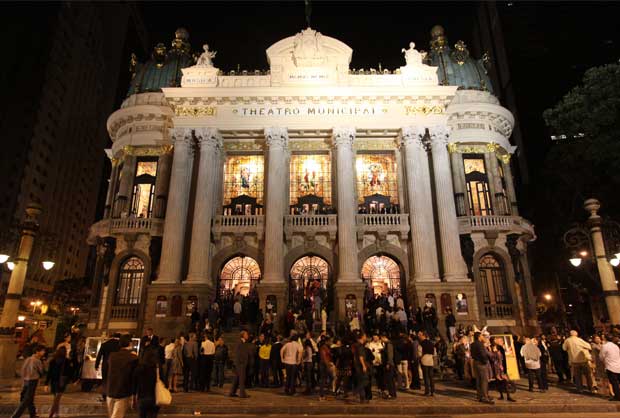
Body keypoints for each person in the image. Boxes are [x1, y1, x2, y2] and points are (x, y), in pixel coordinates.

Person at [106, 334, 139, 418]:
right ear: (130, 343)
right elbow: (134, 377)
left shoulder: (112, 356)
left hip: (110, 389)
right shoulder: (133, 357)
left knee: (112, 415)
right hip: (123, 391)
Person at [11, 345, 46, 418]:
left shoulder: (28, 359)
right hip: (33, 380)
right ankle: (15, 416)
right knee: (27, 399)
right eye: (42, 351)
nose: (44, 352)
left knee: (30, 398)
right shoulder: (37, 360)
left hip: (26, 380)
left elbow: (23, 369)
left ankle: (33, 414)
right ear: (37, 352)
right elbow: (41, 372)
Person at [133, 347, 160, 418]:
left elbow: (135, 383)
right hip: (155, 397)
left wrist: (133, 396)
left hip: (142, 397)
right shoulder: (157, 368)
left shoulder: (139, 368)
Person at [46, 346, 71, 418]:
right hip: (61, 382)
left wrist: (46, 383)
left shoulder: (53, 361)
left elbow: (49, 373)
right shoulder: (67, 361)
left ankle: (56, 413)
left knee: (56, 398)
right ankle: (51, 414)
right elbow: (69, 372)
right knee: (56, 399)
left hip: (53, 381)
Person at [95, 333, 121, 401]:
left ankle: (104, 396)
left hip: (105, 365)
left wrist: (96, 365)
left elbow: (99, 355)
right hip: (116, 365)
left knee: (105, 380)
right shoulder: (120, 344)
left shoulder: (105, 344)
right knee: (115, 380)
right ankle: (113, 395)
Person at [471, 332, 494, 404]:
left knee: (478, 380)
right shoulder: (480, 344)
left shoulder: (473, 344)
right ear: (479, 337)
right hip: (481, 363)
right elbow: (482, 354)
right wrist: (485, 361)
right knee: (484, 380)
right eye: (481, 336)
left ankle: (480, 396)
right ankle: (484, 397)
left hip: (475, 362)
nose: (483, 337)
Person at [229, 330, 254, 398]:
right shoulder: (240, 343)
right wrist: (242, 362)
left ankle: (232, 392)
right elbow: (239, 353)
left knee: (237, 379)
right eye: (246, 334)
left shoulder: (244, 342)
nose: (247, 335)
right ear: (243, 335)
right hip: (240, 364)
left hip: (241, 363)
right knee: (242, 379)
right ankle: (242, 394)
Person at [599, 334, 620, 401]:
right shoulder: (615, 346)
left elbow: (601, 356)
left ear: (605, 339)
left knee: (614, 382)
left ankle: (617, 396)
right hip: (618, 365)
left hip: (610, 366)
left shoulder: (605, 346)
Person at [281, 331, 303, 396]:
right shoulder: (298, 345)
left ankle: (286, 389)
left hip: (287, 362)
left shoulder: (287, 344)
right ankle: (292, 391)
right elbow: (300, 352)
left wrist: (282, 358)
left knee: (288, 376)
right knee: (293, 377)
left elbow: (281, 350)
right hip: (293, 362)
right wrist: (299, 360)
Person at [352, 332, 369, 403]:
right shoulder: (360, 346)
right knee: (365, 380)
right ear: (362, 337)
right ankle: (356, 391)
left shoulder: (355, 345)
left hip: (357, 365)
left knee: (360, 381)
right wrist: (364, 366)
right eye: (365, 336)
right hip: (360, 366)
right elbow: (361, 357)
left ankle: (362, 398)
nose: (366, 337)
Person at [418, 331, 435, 396]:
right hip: (430, 361)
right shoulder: (431, 343)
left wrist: (420, 358)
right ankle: (432, 391)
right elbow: (434, 353)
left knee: (426, 377)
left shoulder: (421, 344)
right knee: (431, 377)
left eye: (421, 335)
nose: (420, 337)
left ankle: (427, 391)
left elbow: (419, 353)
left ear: (423, 336)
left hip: (424, 360)